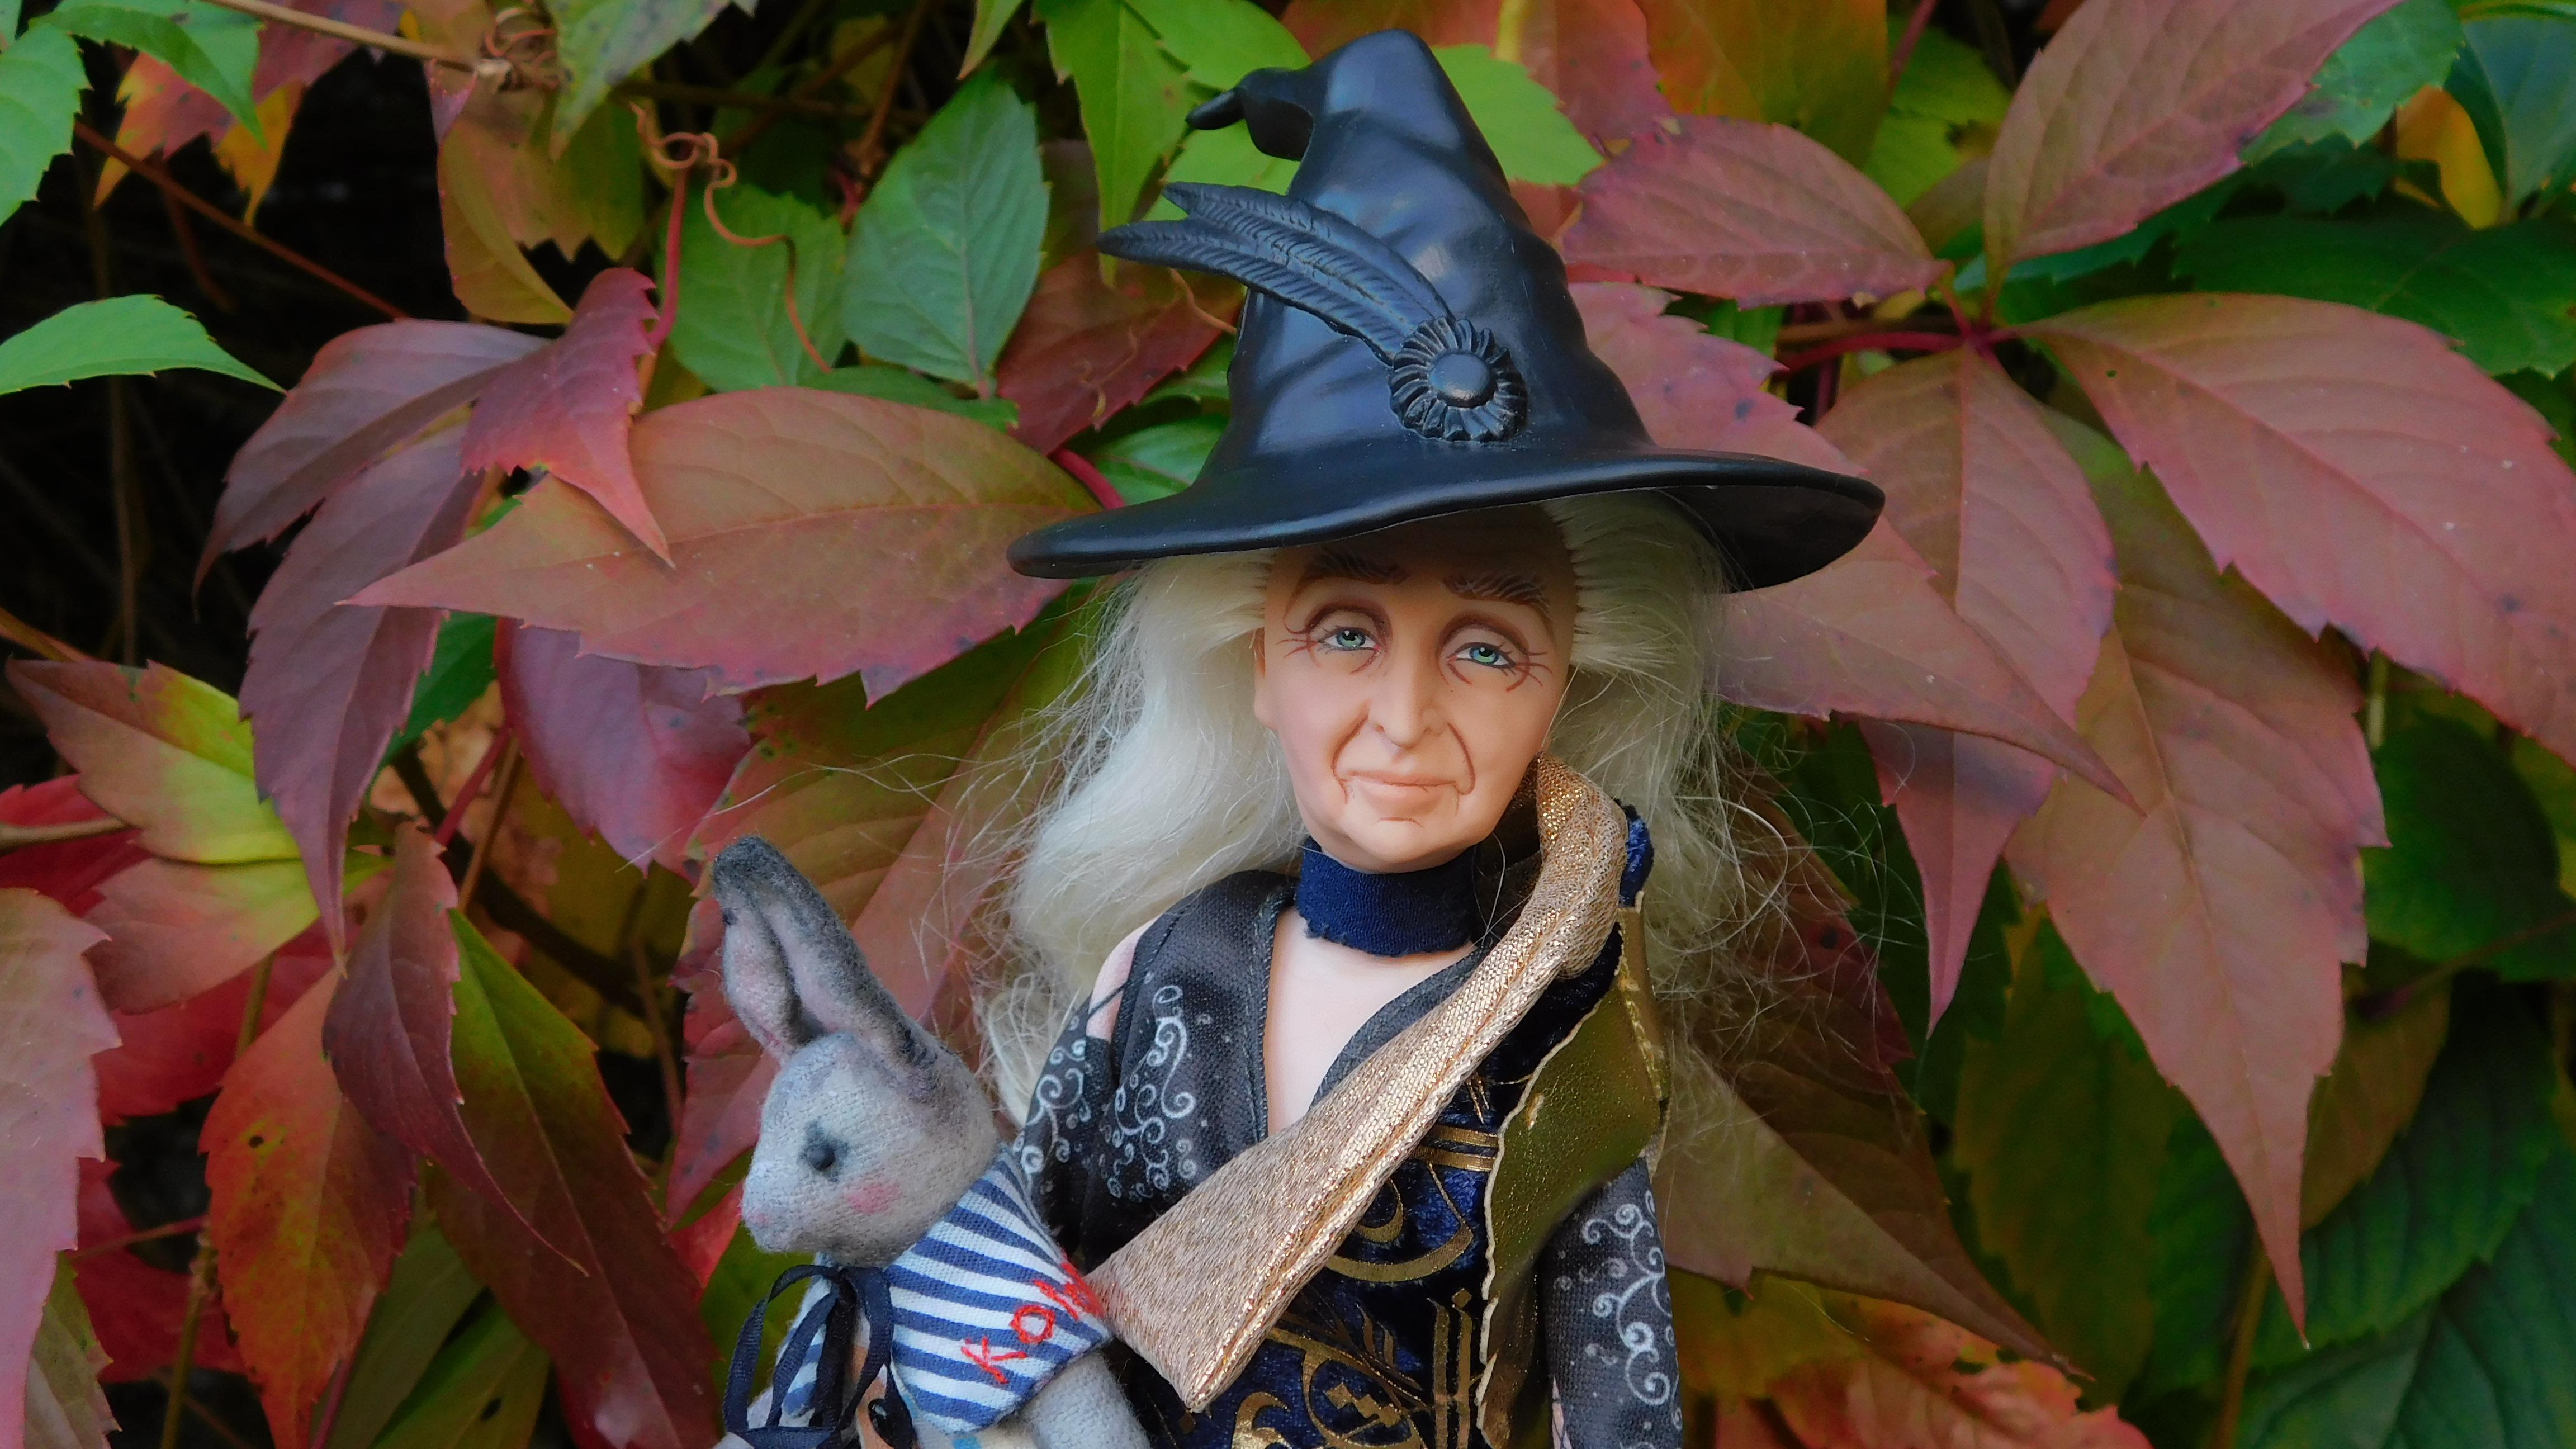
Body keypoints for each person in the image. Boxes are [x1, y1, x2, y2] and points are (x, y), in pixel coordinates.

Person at [982, 28, 1882, 1449]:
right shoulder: (1159, 974)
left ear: (1567, 688)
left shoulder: (1562, 1048)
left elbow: (1616, 1387)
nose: (1405, 721)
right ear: (1255, 665)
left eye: (1486, 650)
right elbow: (999, 1290)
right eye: (1345, 634)